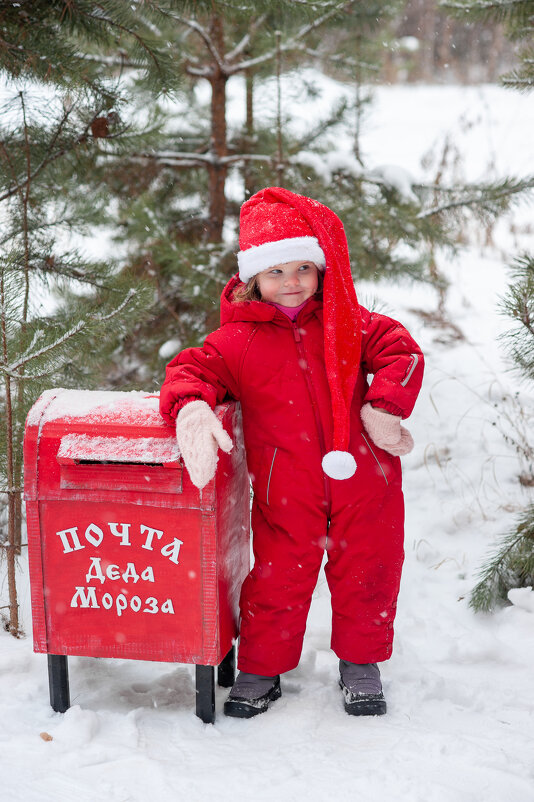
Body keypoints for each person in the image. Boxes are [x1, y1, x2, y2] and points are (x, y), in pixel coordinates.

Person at [159, 187, 424, 719]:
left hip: (365, 476)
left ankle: (361, 664)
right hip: (286, 485)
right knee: (278, 576)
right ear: (253, 279)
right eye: (276, 272)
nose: (292, 282)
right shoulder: (237, 341)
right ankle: (262, 668)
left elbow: (402, 351)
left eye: (303, 267)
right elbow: (190, 370)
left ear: (321, 270)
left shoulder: (350, 322)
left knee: (368, 569)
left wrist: (384, 405)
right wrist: (191, 408)